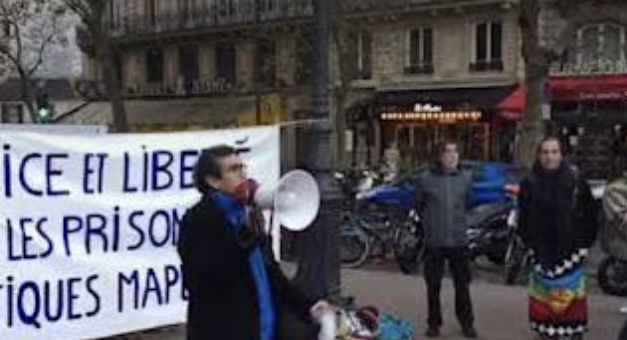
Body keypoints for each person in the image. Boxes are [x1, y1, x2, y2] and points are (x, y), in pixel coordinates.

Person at [177, 145, 333, 340]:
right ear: (213, 181)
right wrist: (248, 233)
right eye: (233, 170)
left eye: (243, 168)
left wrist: (307, 305)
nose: (243, 175)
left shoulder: (248, 214)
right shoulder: (198, 220)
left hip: (263, 330)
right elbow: (207, 277)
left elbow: (271, 275)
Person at [518, 137, 598, 340]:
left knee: (572, 310)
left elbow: (590, 215)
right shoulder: (529, 181)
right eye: (545, 152)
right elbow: (523, 216)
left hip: (571, 254)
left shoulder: (576, 180)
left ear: (561, 155)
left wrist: (584, 246)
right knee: (544, 312)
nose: (549, 157)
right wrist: (529, 244)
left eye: (554, 152)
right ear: (539, 155)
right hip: (541, 255)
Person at [414, 140, 477, 338]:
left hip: (459, 241)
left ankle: (467, 323)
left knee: (463, 285)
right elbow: (419, 204)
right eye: (447, 152)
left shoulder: (466, 178)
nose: (451, 156)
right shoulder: (425, 179)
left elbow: (468, 202)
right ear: (439, 156)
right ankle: (434, 323)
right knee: (433, 286)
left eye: (455, 151)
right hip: (435, 241)